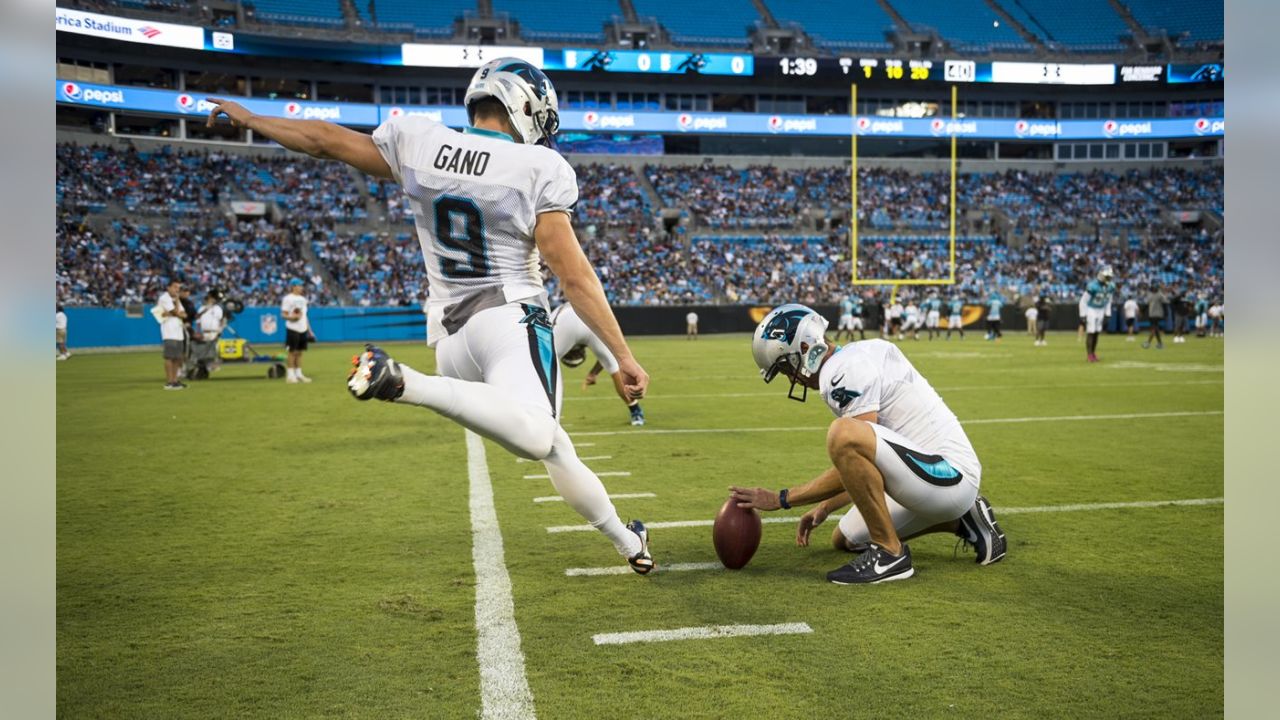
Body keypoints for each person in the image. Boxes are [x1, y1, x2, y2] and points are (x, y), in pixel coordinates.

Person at [207, 58, 654, 574]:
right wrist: (622, 357)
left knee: (554, 446)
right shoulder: (540, 168)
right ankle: (404, 383)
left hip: (449, 338)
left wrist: (254, 119)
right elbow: (574, 279)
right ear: (526, 107)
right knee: (536, 434)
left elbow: (324, 139)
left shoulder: (419, 139)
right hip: (509, 318)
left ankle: (628, 541)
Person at [729, 304, 1006, 585]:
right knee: (846, 538)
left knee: (843, 433)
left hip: (947, 476)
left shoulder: (841, 372)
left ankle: (890, 554)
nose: (791, 377)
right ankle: (965, 520)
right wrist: (825, 507)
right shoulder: (857, 354)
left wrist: (782, 498)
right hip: (930, 476)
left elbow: (859, 449)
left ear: (804, 347)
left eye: (786, 366)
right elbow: (872, 464)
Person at [552, 302, 645, 426]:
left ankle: (547, 413)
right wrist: (593, 373)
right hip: (589, 314)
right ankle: (635, 410)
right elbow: (607, 354)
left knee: (545, 366)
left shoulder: (556, 316)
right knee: (614, 367)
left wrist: (593, 374)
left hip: (566, 320)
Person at [152, 279, 187, 390]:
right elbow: (177, 312)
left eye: (178, 288)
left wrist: (174, 312)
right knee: (169, 357)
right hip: (169, 331)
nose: (177, 290)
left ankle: (175, 380)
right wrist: (176, 304)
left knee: (177, 357)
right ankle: (169, 382)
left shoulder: (174, 299)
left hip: (178, 331)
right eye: (175, 287)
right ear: (168, 287)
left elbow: (184, 315)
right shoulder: (164, 298)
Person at [280, 279, 312, 383]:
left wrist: (309, 330)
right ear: (293, 286)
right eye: (299, 285)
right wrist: (292, 318)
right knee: (292, 352)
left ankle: (298, 374)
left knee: (299, 352)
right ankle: (290, 375)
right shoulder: (288, 298)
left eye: (301, 286)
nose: (301, 287)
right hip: (293, 328)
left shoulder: (303, 299)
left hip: (302, 328)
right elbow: (283, 314)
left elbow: (305, 316)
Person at [190, 290, 226, 378]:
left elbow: (221, 321)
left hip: (214, 332)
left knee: (214, 349)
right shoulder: (202, 308)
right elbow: (198, 322)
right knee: (200, 350)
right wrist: (198, 333)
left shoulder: (217, 308)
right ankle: (200, 367)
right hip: (204, 332)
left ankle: (213, 364)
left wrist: (219, 332)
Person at [1083, 268, 1116, 363]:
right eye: (1107, 277)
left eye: (1110, 277)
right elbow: (1083, 301)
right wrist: (1083, 314)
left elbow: (1109, 300)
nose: (1109, 279)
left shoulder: (1110, 286)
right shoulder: (1092, 286)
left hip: (1101, 309)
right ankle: (1089, 355)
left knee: (1097, 332)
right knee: (1091, 332)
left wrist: (1107, 313)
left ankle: (1093, 353)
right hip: (1091, 309)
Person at [1143, 285, 1167, 350]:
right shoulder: (1153, 295)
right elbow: (1147, 304)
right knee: (1156, 329)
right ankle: (1160, 344)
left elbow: (1165, 304)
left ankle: (1148, 343)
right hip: (1152, 314)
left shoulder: (1159, 295)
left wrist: (1165, 314)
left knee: (1154, 328)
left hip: (1157, 314)